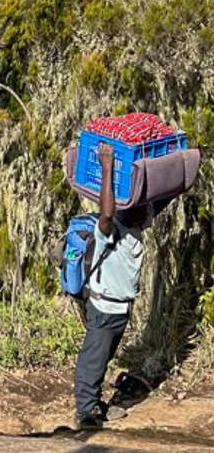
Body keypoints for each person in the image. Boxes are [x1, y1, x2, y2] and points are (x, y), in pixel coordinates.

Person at [74, 140, 150, 429]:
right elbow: (106, 213)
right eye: (138, 204)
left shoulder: (135, 225)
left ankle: (94, 403)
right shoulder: (109, 229)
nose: (145, 210)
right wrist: (107, 167)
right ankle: (86, 411)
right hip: (104, 305)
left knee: (103, 356)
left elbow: (159, 200)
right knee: (93, 357)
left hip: (121, 309)